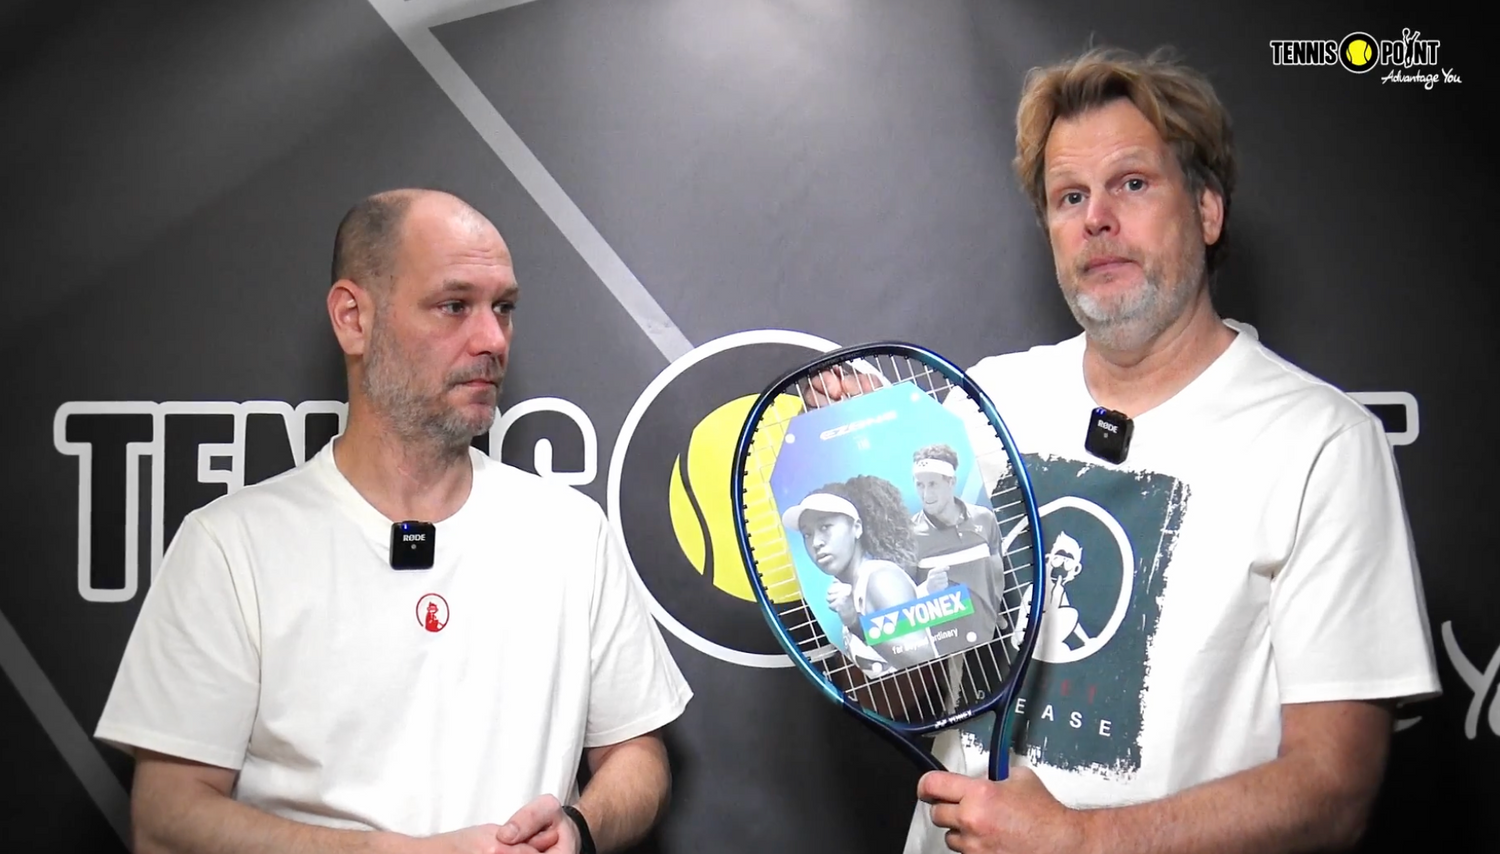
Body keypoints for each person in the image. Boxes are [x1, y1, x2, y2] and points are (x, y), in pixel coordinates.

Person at [812, 46, 1440, 854]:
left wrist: (1077, 840)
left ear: (1207, 210)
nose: (1097, 219)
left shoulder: (1322, 443)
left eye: (1132, 184)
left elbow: (1333, 790)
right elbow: (900, 688)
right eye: (1069, 196)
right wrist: (863, 498)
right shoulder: (982, 405)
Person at [93, 188, 693, 854]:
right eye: (454, 305)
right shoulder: (230, 547)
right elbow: (165, 820)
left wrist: (578, 832)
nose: (492, 339)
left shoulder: (571, 532)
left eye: (504, 308)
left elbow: (638, 756)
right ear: (353, 318)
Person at [782, 476, 935, 677]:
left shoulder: (881, 579)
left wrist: (856, 623)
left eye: (825, 527)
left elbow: (926, 659)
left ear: (857, 527)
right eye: (807, 535)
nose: (816, 542)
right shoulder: (853, 588)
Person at [908, 443, 1009, 656]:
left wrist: (994, 607)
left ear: (951, 482)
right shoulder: (908, 535)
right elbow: (901, 601)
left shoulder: (984, 518)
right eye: (919, 485)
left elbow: (996, 567)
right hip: (942, 650)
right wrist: (927, 590)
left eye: (933, 484)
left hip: (993, 633)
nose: (926, 494)